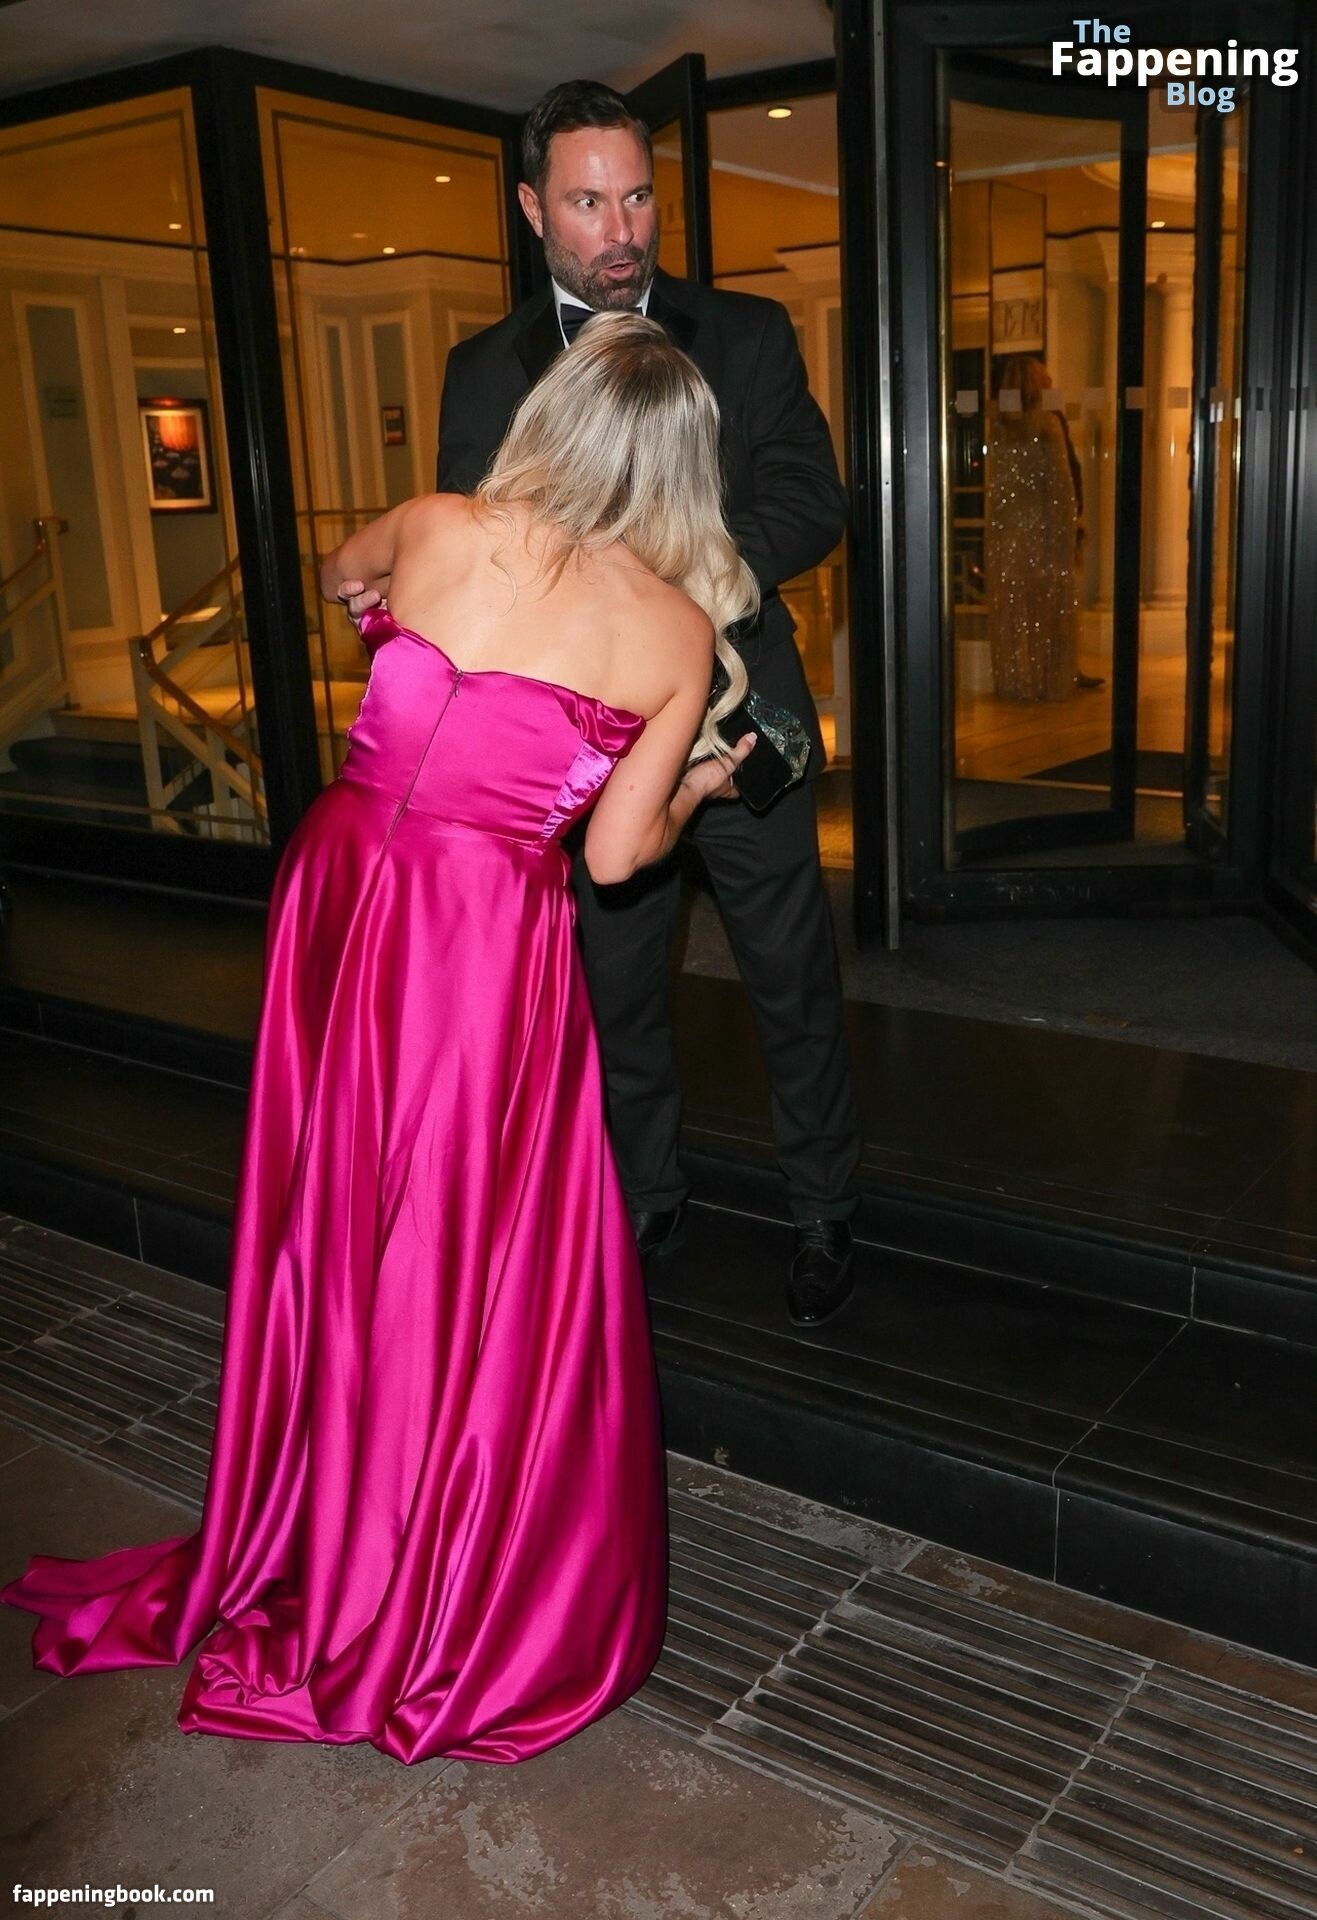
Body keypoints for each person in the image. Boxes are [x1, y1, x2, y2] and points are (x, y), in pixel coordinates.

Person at [0, 313, 758, 1766]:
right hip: (479, 941)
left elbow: (341, 576)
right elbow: (616, 862)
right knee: (454, 1240)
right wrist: (698, 791)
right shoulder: (671, 632)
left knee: (334, 1213)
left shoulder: (435, 523)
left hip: (342, 887)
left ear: (553, 417)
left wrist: (389, 633)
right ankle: (423, 1555)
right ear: (683, 471)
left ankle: (322, 1505)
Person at [340, 80, 862, 1327]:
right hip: (577, 743)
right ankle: (645, 1196)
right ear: (534, 209)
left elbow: (813, 498)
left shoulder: (745, 333)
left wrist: (678, 584)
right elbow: (481, 543)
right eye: (587, 203)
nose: (620, 230)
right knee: (614, 986)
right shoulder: (483, 369)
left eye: (636, 198)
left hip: (738, 717)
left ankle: (823, 1211)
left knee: (790, 975)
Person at [985, 355, 1096, 701]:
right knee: (1049, 609)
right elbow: (1061, 485)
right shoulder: (1048, 423)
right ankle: (1053, 678)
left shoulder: (998, 428)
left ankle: (1018, 681)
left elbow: (997, 487)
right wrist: (1071, 527)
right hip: (1043, 529)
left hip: (1008, 531)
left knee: (1015, 610)